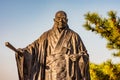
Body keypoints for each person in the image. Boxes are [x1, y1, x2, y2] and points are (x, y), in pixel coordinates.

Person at [16, 11, 90, 80]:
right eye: (58, 18)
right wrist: (24, 51)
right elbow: (34, 46)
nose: (61, 20)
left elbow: (84, 54)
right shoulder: (46, 35)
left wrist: (78, 56)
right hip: (49, 72)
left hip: (67, 73)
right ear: (54, 20)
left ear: (67, 20)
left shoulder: (74, 36)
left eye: (63, 18)